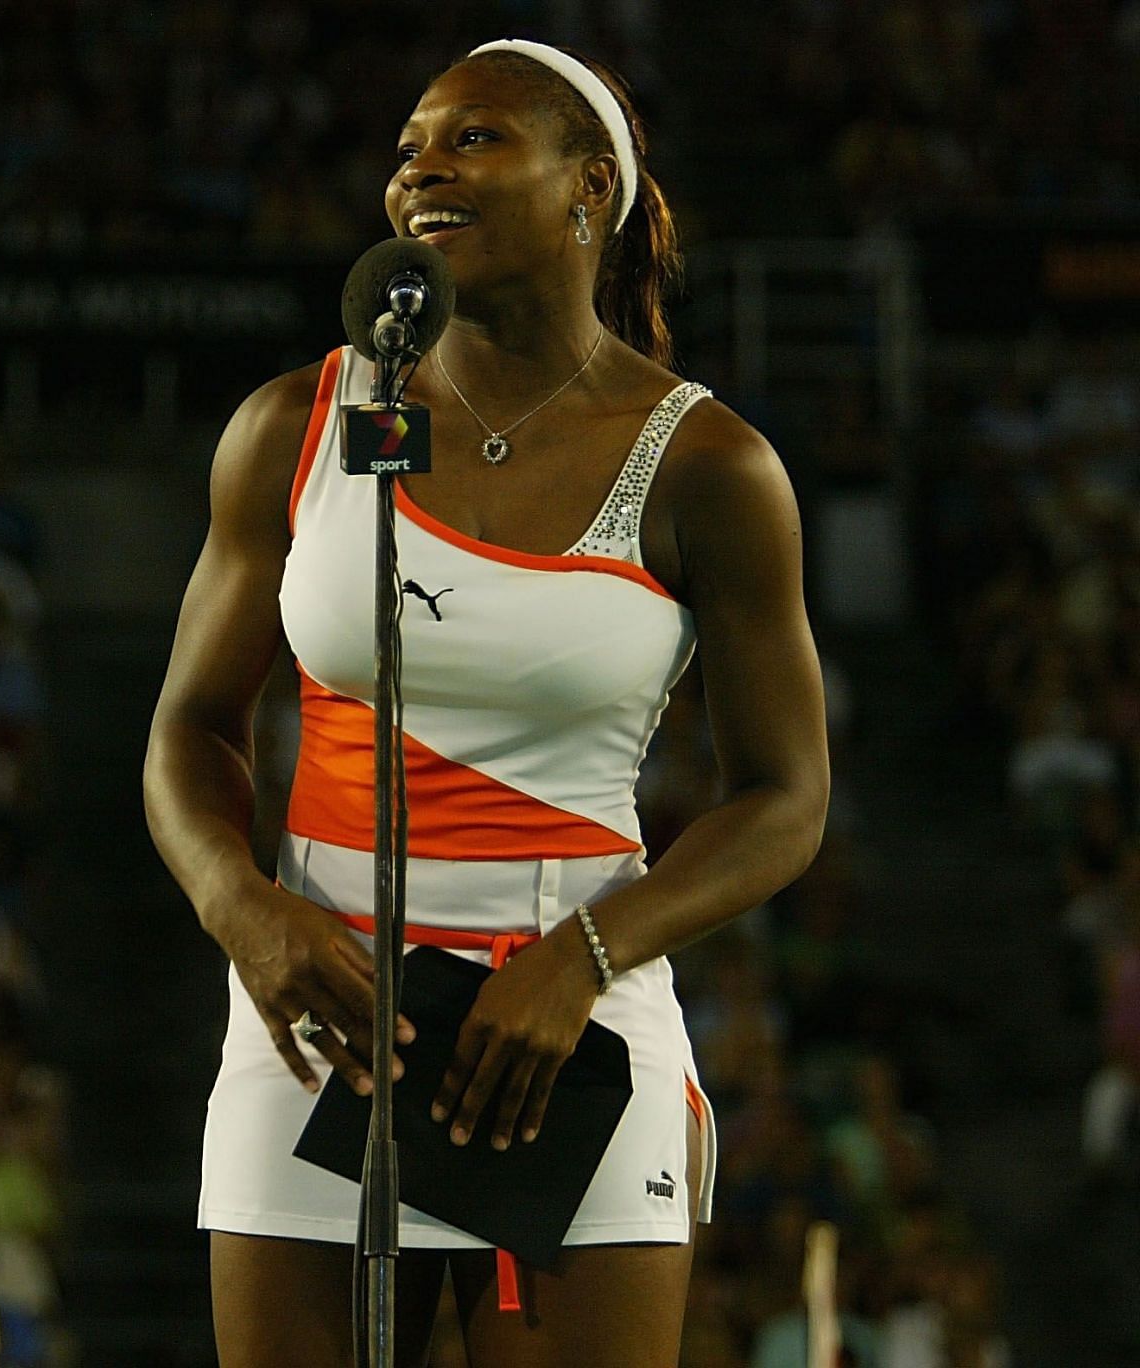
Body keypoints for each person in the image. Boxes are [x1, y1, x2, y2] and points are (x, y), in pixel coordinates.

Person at [144, 40, 829, 1368]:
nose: (420, 171)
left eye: (475, 139)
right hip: (316, 1004)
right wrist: (244, 910)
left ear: (591, 190)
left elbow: (787, 801)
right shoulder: (294, 424)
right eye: (409, 147)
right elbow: (188, 727)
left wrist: (586, 960)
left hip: (571, 1008)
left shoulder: (710, 464)